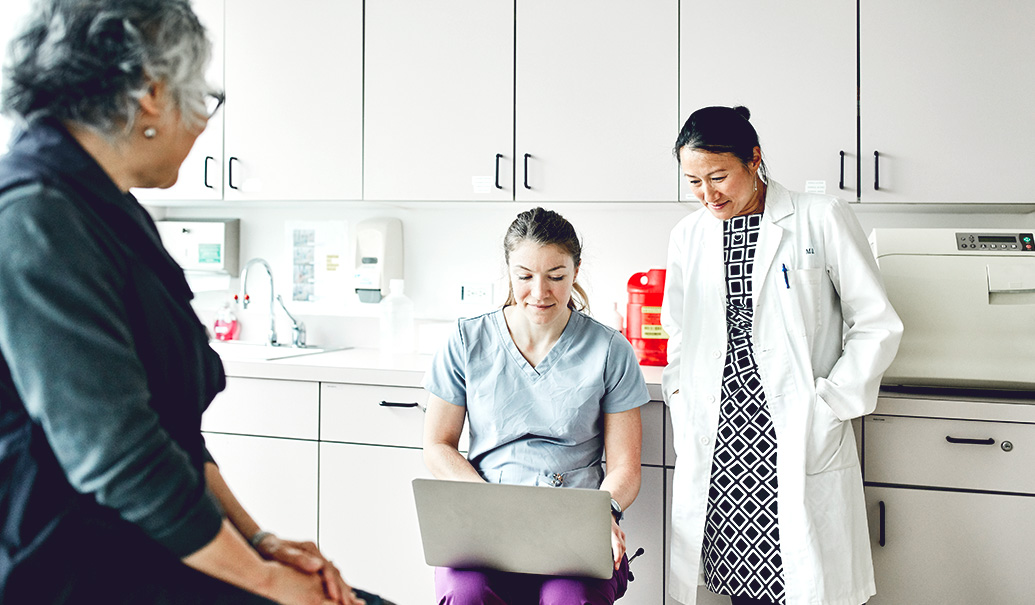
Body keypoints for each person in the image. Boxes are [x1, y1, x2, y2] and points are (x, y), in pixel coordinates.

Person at [0, 2, 386, 604]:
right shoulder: (37, 217)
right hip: (74, 566)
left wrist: (259, 539)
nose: (205, 123)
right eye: (201, 99)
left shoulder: (113, 210)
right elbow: (122, 455)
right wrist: (268, 583)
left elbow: (171, 433)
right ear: (151, 94)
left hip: (147, 543)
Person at [661, 106, 903, 605]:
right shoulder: (689, 236)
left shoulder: (820, 217)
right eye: (694, 182)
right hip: (722, 439)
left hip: (794, 428)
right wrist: (682, 401)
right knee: (740, 586)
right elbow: (679, 334)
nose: (708, 195)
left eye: (719, 176)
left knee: (803, 586)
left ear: (755, 159)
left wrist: (831, 403)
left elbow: (876, 321)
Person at [422, 207, 650, 605]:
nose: (540, 292)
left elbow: (625, 467)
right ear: (508, 271)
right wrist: (486, 503)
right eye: (524, 276)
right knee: (466, 594)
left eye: (556, 276)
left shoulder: (611, 350)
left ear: (575, 271)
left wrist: (603, 514)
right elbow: (437, 445)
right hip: (484, 524)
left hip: (574, 527)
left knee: (569, 599)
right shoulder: (465, 341)